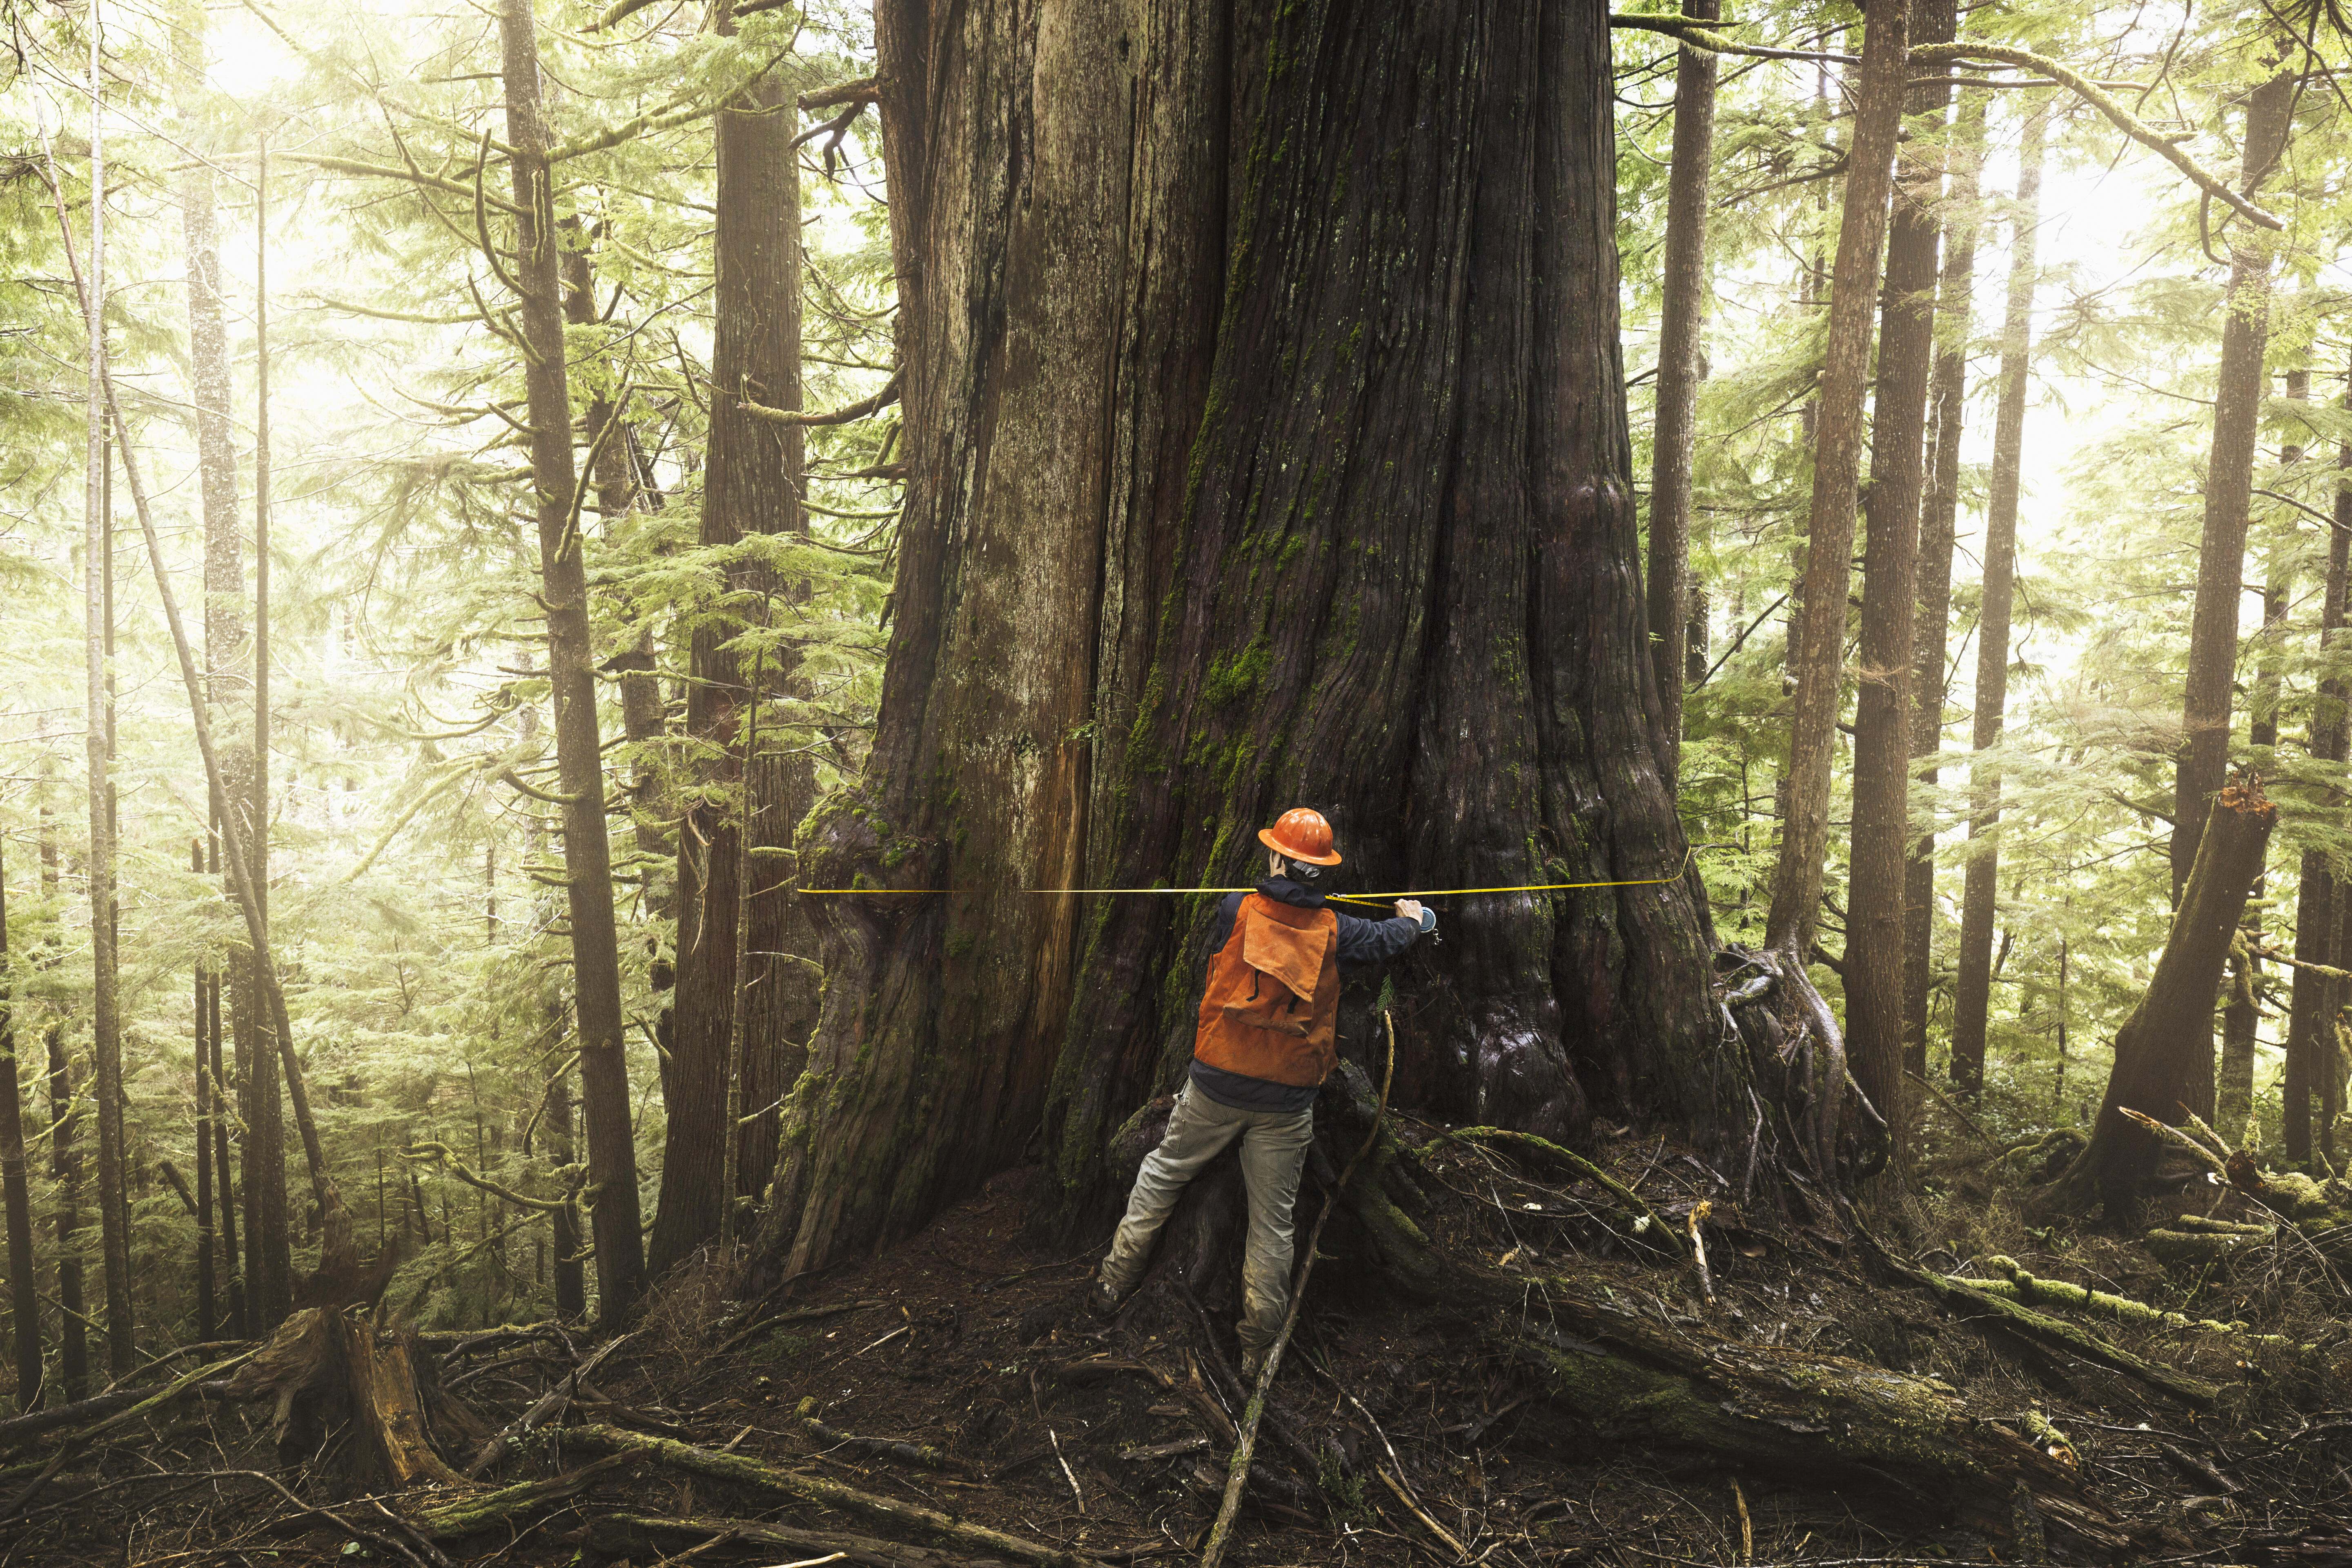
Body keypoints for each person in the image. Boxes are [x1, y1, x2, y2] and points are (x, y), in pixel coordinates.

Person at [1088, 807, 1426, 1378]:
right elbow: (1390, 938)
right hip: (1287, 1101)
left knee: (1164, 1172)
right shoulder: (1342, 934)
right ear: (1321, 871)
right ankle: (1256, 1352)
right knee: (1273, 1223)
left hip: (1216, 1083)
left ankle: (1111, 1283)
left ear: (1275, 858)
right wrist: (1416, 919)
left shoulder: (1233, 908)